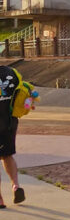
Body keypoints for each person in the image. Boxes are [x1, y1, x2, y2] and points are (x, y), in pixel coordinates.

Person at [0, 64, 26, 207]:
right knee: (7, 155)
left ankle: (0, 199)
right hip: (9, 123)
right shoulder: (13, 73)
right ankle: (15, 186)